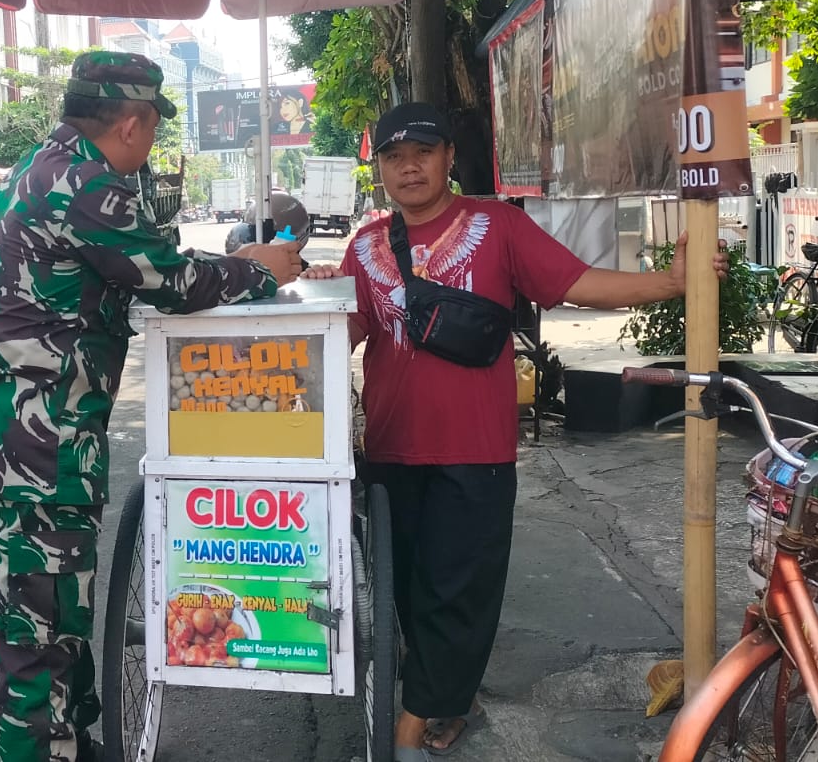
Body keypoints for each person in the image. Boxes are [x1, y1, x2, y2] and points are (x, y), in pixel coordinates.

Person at [304, 102, 727, 761]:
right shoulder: (365, 245)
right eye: (393, 157)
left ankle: (409, 727)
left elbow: (578, 283)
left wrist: (670, 283)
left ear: (449, 158)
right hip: (389, 447)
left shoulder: (497, 226)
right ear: (379, 168)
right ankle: (451, 696)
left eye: (423, 152)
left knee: (457, 589)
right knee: (408, 591)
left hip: (475, 450)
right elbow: (347, 332)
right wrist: (311, 297)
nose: (408, 167)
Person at [0, 51, 303, 762]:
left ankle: (73, 743)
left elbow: (134, 259)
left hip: (5, 445)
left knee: (40, 623)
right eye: (153, 129)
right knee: (38, 642)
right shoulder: (86, 183)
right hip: (36, 455)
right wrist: (256, 271)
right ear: (133, 124)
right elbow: (168, 279)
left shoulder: (39, 166)